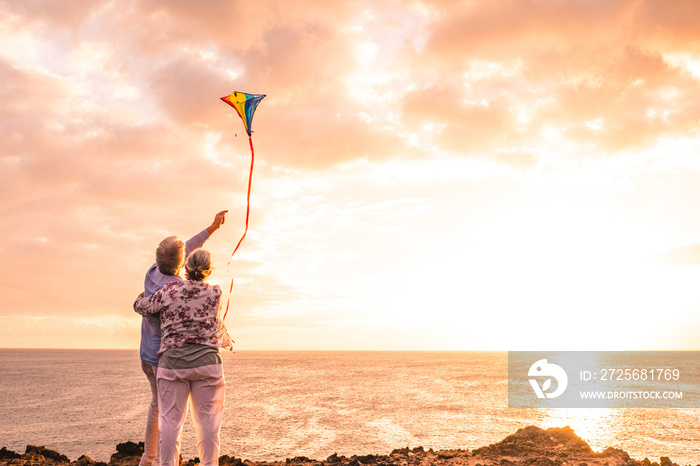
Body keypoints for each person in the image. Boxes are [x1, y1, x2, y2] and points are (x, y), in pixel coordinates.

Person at [138, 211, 227, 466]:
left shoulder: (155, 272)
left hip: (156, 355)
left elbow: (143, 306)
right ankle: (155, 459)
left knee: (165, 415)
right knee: (205, 421)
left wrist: (212, 228)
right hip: (167, 356)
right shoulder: (211, 291)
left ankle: (152, 459)